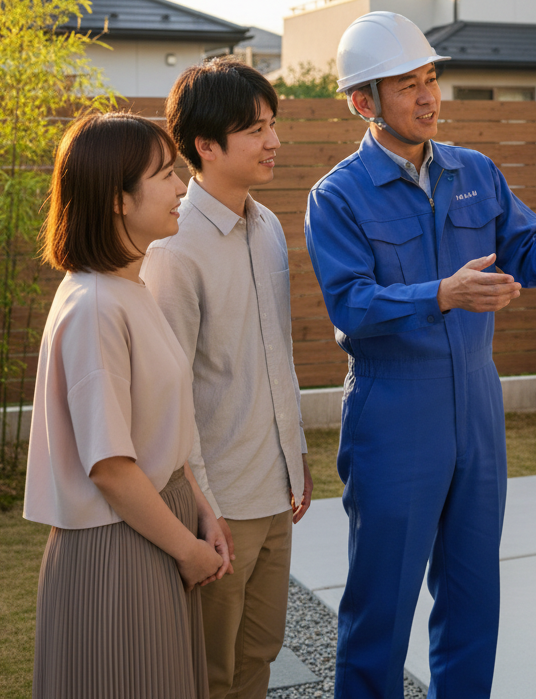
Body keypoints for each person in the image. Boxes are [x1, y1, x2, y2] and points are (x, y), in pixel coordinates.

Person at [305, 11, 536, 699]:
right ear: (363, 102)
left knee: (473, 599)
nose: (428, 96)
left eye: (431, 78)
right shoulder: (338, 197)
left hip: (476, 407)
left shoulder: (476, 172)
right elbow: (351, 304)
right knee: (380, 609)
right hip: (393, 414)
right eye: (406, 85)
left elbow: (527, 255)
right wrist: (441, 293)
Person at [24, 111, 231, 699]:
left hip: (152, 526)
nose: (182, 188)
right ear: (118, 199)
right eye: (166, 174)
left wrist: (199, 509)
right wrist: (188, 548)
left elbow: (153, 428)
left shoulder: (127, 288)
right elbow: (111, 466)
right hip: (118, 547)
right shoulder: (95, 305)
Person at [142, 56, 312, 699]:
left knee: (260, 653)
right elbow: (169, 389)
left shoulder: (266, 225)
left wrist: (295, 451)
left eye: (272, 124)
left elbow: (275, 352)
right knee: (207, 668)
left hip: (275, 487)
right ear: (205, 146)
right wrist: (201, 505)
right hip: (219, 503)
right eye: (255, 130)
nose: (273, 141)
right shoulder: (172, 245)